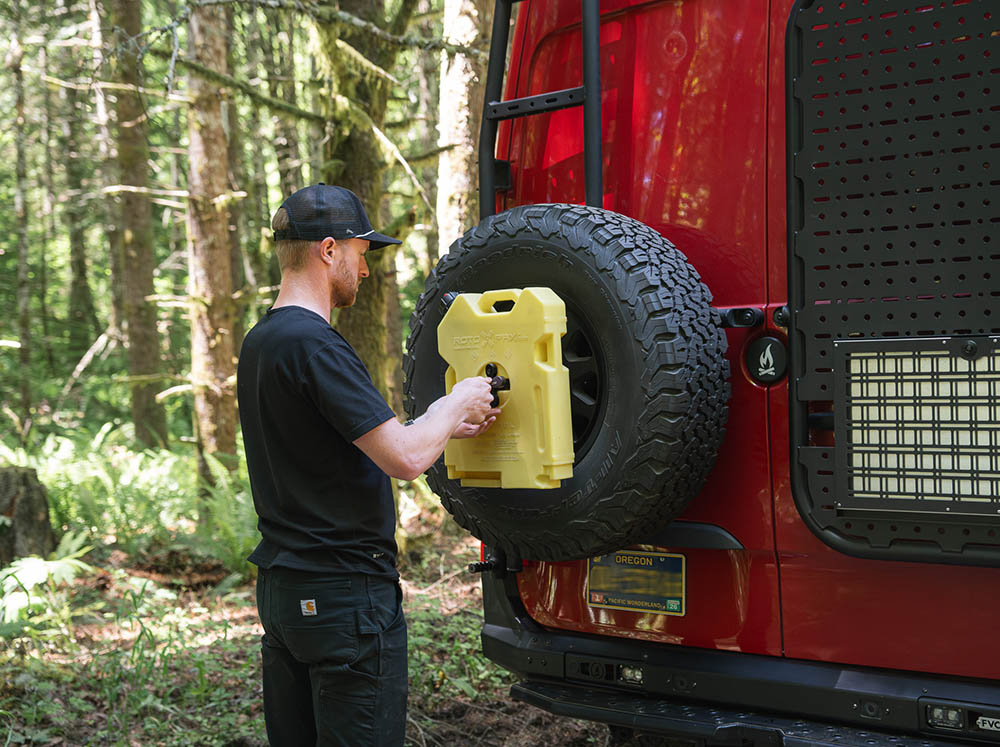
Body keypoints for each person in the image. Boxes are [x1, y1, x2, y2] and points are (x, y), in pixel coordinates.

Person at [236, 183, 499, 746]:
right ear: (327, 250)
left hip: (286, 593)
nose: (368, 269)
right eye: (361, 253)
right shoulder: (316, 346)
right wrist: (456, 401)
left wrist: (445, 425)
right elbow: (403, 459)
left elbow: (344, 448)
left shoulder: (263, 341)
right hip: (343, 598)